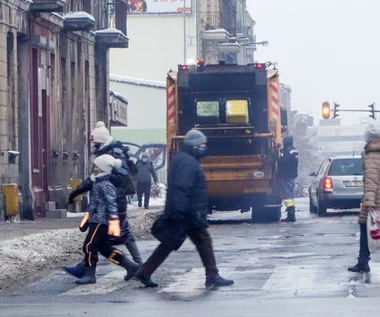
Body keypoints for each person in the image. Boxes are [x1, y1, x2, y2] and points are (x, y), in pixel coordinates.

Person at [135, 129, 234, 288]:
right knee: (203, 242)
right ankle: (212, 275)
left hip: (185, 212)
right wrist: (180, 212)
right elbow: (182, 188)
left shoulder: (183, 159)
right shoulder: (188, 163)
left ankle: (145, 271)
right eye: (201, 145)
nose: (204, 147)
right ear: (194, 146)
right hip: (189, 213)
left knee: (169, 243)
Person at [64, 121, 143, 280]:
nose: (94, 147)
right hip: (107, 205)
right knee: (99, 242)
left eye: (96, 144)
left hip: (113, 203)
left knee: (110, 237)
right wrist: (79, 190)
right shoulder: (106, 153)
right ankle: (131, 266)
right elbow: (94, 178)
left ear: (103, 141)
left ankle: (138, 267)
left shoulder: (113, 153)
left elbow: (117, 179)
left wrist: (103, 186)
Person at [75, 154, 139, 284]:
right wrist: (87, 217)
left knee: (89, 245)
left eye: (96, 166)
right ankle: (131, 266)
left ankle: (89, 273)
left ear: (102, 168)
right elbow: (94, 203)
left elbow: (111, 203)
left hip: (100, 221)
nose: (93, 168)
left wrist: (113, 221)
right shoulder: (99, 182)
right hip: (97, 219)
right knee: (104, 248)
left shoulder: (104, 183)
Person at [348, 124, 380, 273]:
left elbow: (371, 181)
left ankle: (363, 261)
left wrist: (369, 203)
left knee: (364, 227)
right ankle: (362, 261)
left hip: (375, 202)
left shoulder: (372, 156)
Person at [277, 135, 298, 222]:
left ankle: (291, 215)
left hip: (287, 176)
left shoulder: (287, 151)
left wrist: (280, 155)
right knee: (290, 196)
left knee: (288, 196)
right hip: (291, 176)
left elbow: (283, 162)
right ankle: (291, 214)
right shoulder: (294, 150)